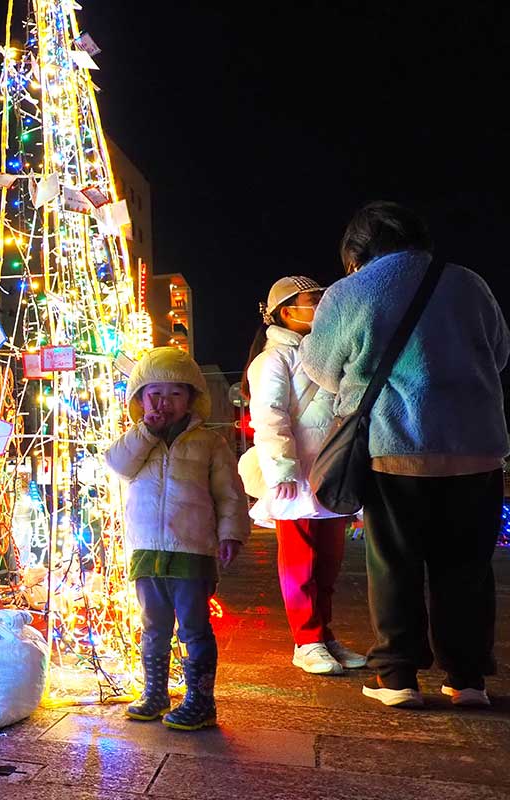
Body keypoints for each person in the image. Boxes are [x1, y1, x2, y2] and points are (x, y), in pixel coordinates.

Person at [302, 201, 509, 708]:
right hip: (475, 450)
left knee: (395, 563)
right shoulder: (469, 283)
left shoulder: (349, 292)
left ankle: (396, 676)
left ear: (358, 249)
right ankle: (466, 679)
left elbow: (322, 369)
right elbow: (500, 353)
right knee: (467, 567)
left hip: (396, 449)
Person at [106, 346, 250, 730]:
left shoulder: (210, 443)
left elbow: (229, 494)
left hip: (191, 552)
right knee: (153, 626)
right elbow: (117, 463)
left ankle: (201, 700)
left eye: (175, 393)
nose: (164, 402)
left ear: (191, 399)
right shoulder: (137, 441)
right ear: (139, 399)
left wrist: (231, 533)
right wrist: (147, 431)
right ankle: (155, 693)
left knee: (194, 626)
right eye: (154, 393)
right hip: (146, 551)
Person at [238, 276, 366, 675]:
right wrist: (283, 470)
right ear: (286, 311)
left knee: (328, 564)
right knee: (300, 566)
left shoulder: (328, 354)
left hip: (329, 474)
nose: (323, 305)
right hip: (296, 478)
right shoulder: (272, 360)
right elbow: (269, 417)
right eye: (314, 300)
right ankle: (305, 640)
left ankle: (324, 636)